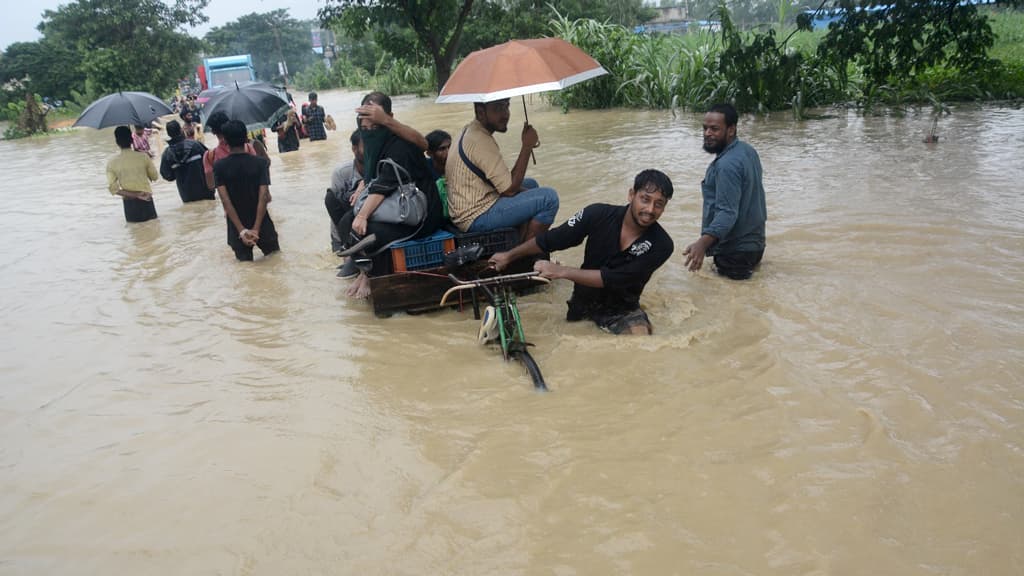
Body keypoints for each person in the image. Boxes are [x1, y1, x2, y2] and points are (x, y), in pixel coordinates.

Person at [490, 169, 675, 336]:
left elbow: (615, 277)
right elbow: (553, 239)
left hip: (622, 311)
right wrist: (509, 256)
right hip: (583, 304)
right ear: (631, 195)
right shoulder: (597, 214)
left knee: (640, 339)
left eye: (658, 204)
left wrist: (561, 271)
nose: (650, 209)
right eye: (645, 199)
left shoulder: (662, 245)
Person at [336, 91, 444, 298]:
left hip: (418, 211)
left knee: (370, 232)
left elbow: (384, 186)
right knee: (345, 222)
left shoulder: (401, 144)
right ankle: (363, 271)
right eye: (365, 128)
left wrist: (362, 215)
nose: (370, 132)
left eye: (376, 126)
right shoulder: (373, 146)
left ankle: (371, 277)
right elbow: (373, 180)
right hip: (391, 205)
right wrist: (360, 194)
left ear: (388, 119)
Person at [445, 98, 559, 242]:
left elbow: (505, 184)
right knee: (549, 198)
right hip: (475, 216)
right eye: (498, 109)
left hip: (470, 204)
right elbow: (509, 189)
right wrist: (527, 146)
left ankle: (519, 239)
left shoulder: (471, 130)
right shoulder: (480, 141)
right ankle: (523, 253)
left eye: (506, 106)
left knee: (532, 184)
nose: (505, 114)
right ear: (481, 112)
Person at [683, 102, 767, 280]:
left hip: (735, 252)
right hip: (755, 245)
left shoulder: (726, 165)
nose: (707, 134)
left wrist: (702, 244)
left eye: (714, 129)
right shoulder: (747, 151)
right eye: (705, 128)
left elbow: (727, 213)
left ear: (731, 130)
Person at [213, 120, 280, 262]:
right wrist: (256, 228)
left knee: (245, 269)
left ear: (225, 140)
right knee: (276, 261)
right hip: (263, 223)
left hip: (236, 227)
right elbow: (263, 196)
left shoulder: (219, 167)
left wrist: (242, 230)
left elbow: (225, 201)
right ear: (245, 138)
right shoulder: (260, 163)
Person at [203, 111, 271, 192]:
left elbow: (211, 185)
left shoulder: (209, 156)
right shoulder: (250, 146)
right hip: (254, 196)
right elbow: (264, 165)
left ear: (213, 132)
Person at [106, 125, 159, 223]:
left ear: (117, 142)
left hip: (129, 205)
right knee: (153, 230)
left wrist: (135, 195)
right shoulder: (143, 157)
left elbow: (113, 188)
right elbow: (155, 177)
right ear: (131, 140)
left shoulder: (111, 163)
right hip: (146, 199)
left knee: (136, 233)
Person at [325, 129, 364, 259]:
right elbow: (334, 210)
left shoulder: (381, 167)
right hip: (342, 225)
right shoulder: (341, 173)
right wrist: (341, 243)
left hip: (362, 224)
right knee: (330, 197)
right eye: (366, 146)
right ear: (354, 149)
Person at [159, 119, 214, 203]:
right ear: (181, 130)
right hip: (205, 190)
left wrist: (178, 171)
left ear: (169, 134)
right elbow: (210, 160)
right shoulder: (195, 145)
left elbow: (167, 175)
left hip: (187, 195)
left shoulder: (167, 154)